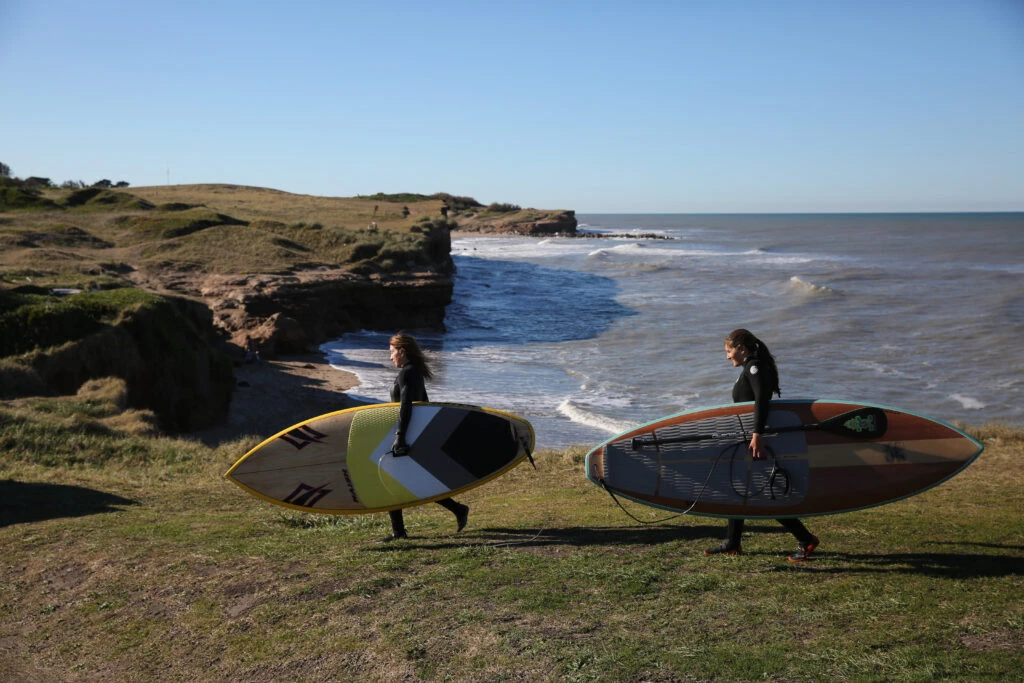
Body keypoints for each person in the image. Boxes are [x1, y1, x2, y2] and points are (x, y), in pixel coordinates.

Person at [703, 329, 820, 562]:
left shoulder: (754, 368)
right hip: (748, 439)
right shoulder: (750, 368)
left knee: (763, 491)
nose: (727, 356)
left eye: (728, 351)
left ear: (741, 349)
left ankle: (805, 538)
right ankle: (733, 542)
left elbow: (762, 401)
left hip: (755, 440)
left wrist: (758, 434)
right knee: (738, 486)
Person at [382, 332, 469, 541]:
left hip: (406, 435)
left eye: (392, 352)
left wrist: (400, 437)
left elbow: (406, 407)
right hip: (411, 433)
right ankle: (457, 509)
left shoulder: (408, 373)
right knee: (407, 481)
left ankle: (399, 533)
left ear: (402, 351)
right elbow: (425, 405)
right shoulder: (414, 372)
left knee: (393, 480)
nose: (391, 357)